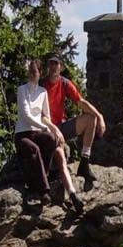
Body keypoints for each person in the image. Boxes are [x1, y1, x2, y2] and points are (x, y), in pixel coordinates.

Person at [15, 59, 84, 213]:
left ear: (40, 73)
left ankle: (40, 177)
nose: (33, 74)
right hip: (23, 134)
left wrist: (53, 129)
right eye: (31, 72)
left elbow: (46, 115)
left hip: (38, 132)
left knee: (52, 140)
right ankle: (44, 191)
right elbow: (26, 115)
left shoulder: (42, 92)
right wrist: (46, 127)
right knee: (34, 149)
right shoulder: (22, 90)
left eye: (35, 71)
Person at [41, 56, 106, 190]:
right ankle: (51, 173)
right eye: (51, 64)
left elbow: (81, 102)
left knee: (90, 118)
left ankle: (84, 162)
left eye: (56, 64)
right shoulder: (41, 85)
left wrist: (99, 116)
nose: (53, 67)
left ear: (61, 67)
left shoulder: (65, 83)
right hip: (45, 128)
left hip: (61, 127)